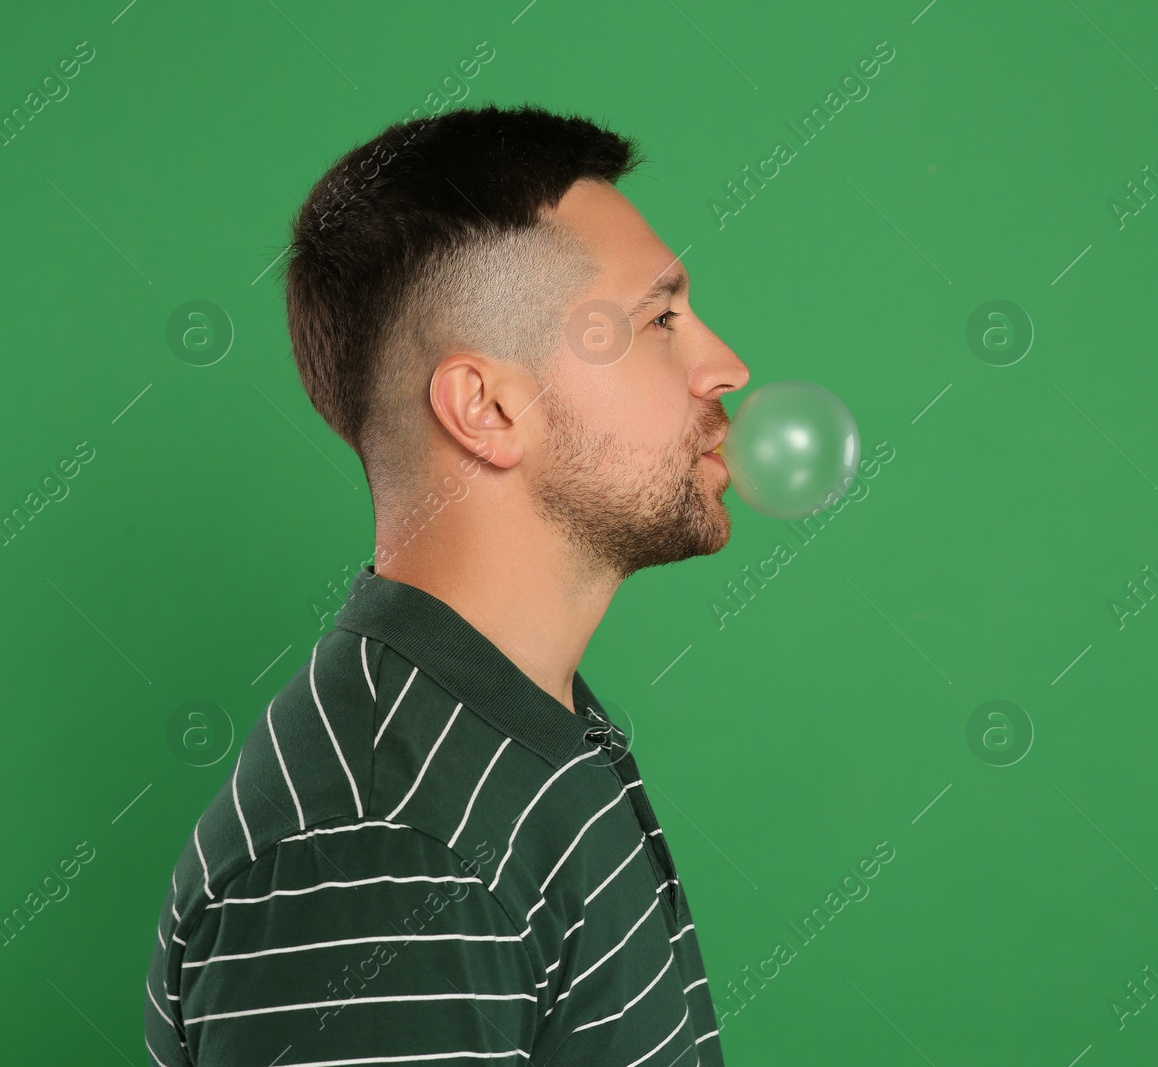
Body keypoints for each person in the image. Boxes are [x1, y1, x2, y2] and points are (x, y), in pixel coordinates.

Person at [143, 103, 749, 1067]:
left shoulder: (512, 725)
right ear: (488, 407)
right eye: (659, 320)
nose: (724, 366)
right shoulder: (387, 856)